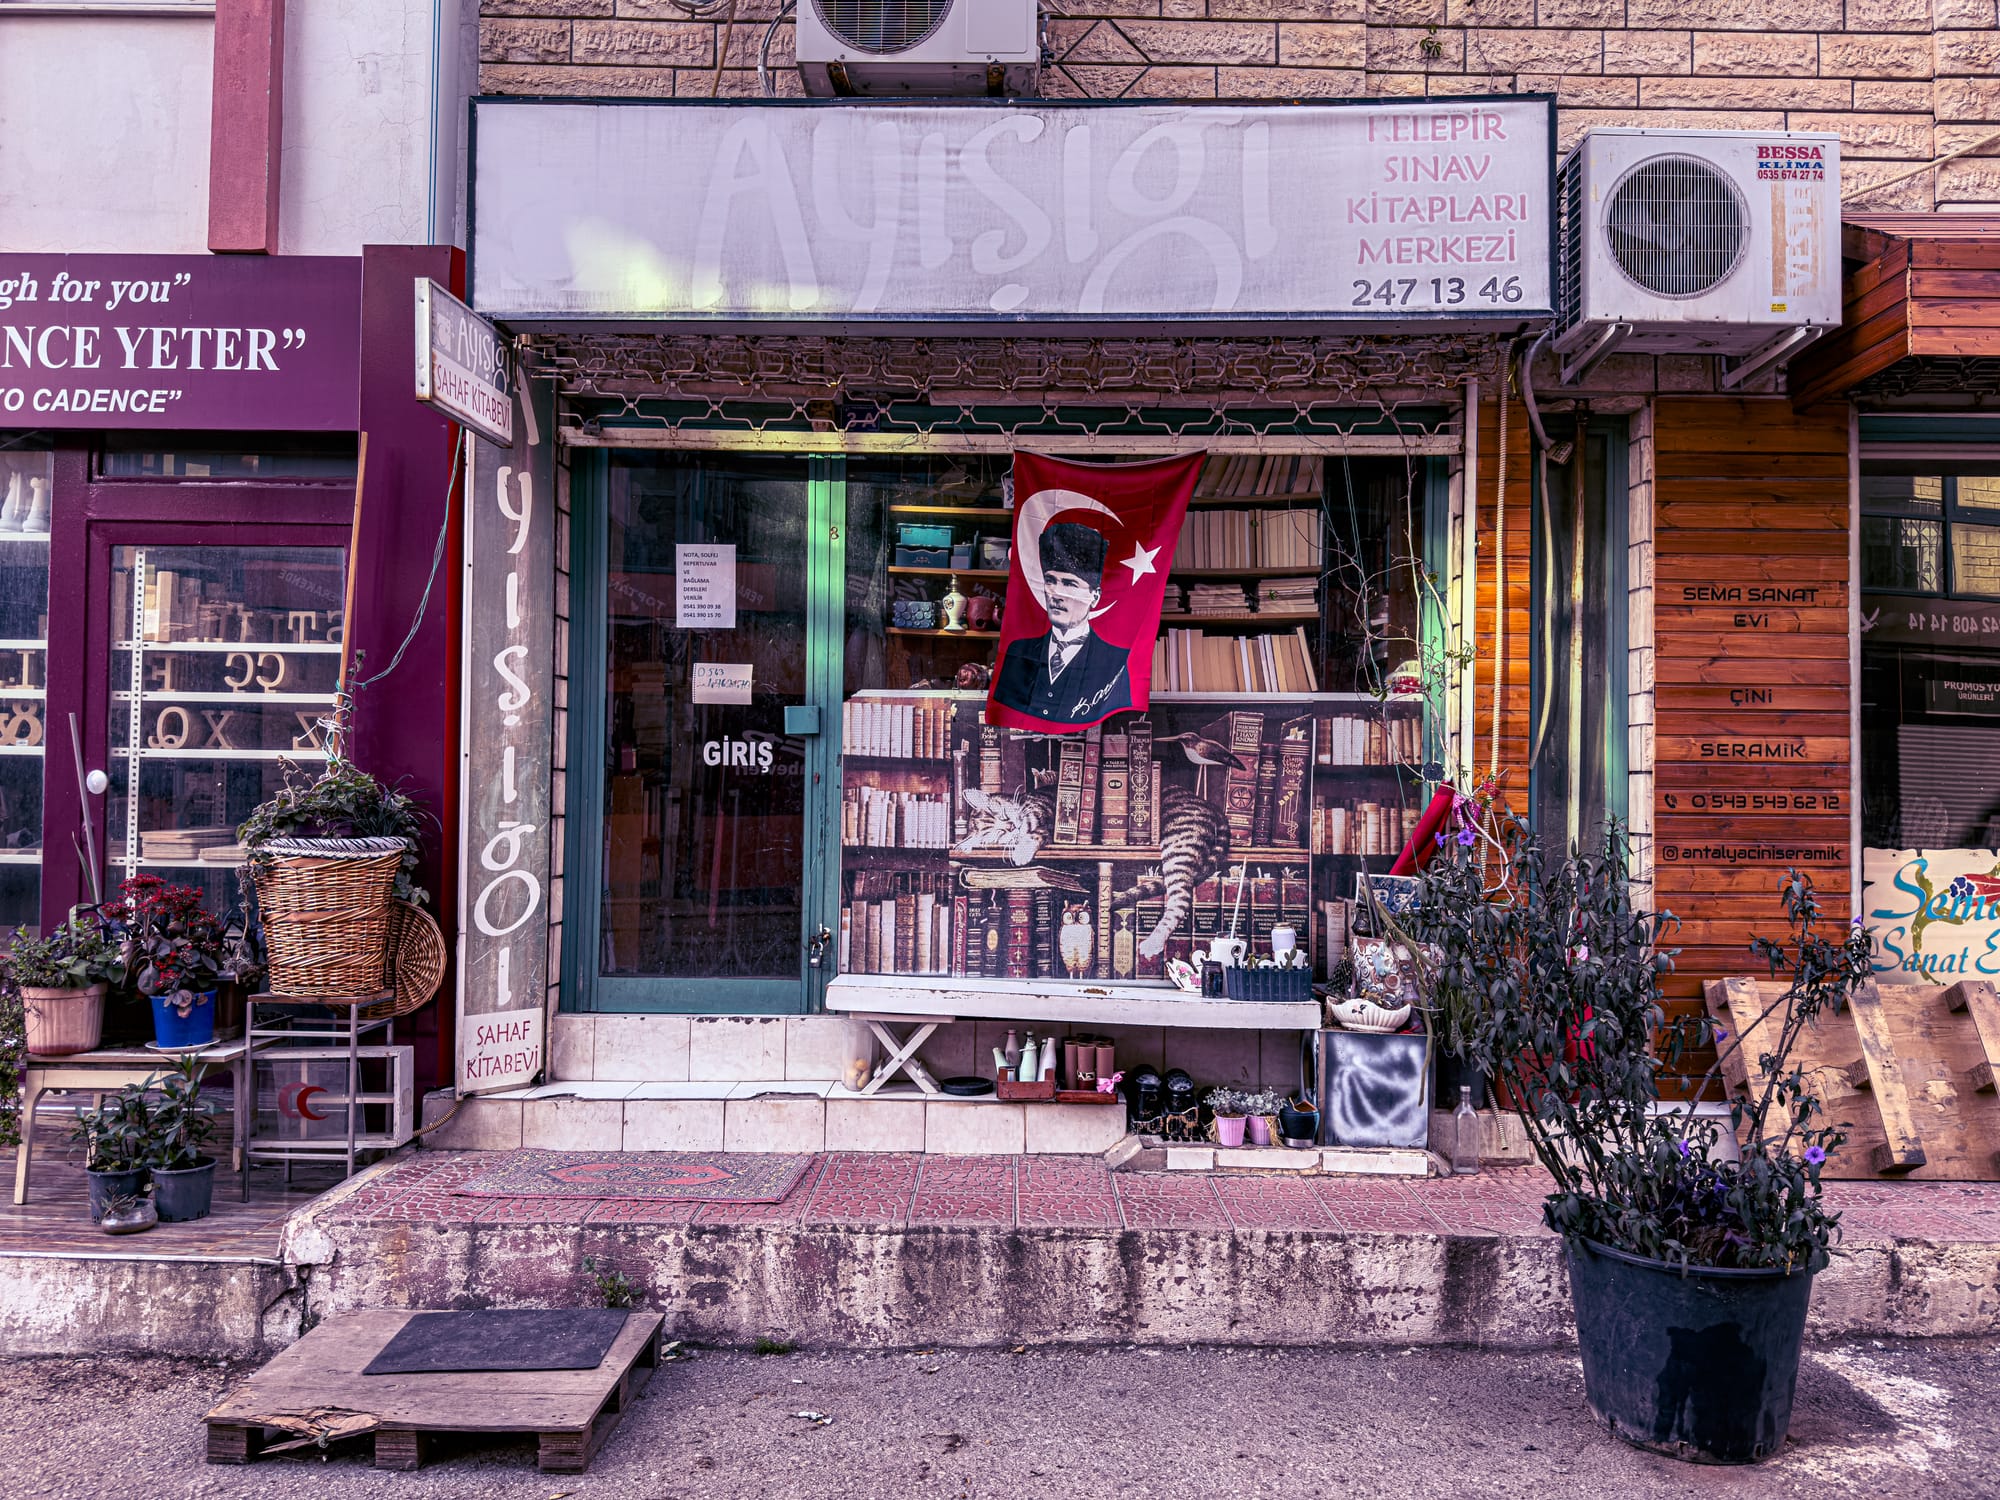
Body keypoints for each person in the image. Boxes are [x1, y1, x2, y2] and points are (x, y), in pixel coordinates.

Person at [993, 521, 1133, 725]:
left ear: (1094, 597)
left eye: (1069, 584)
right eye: (1050, 581)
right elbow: (1004, 714)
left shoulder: (1114, 661)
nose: (1056, 595)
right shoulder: (1018, 651)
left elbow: (1118, 723)